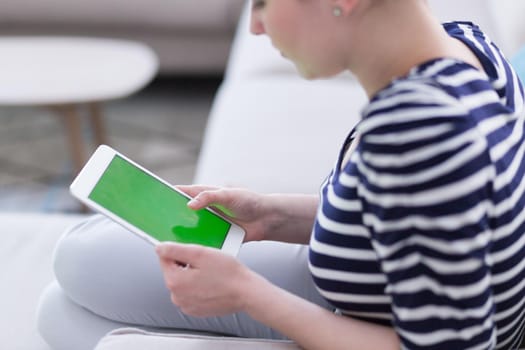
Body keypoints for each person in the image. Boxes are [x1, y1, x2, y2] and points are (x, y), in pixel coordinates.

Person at [37, 0, 525, 349]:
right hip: (373, 293)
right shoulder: (469, 49)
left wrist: (248, 296)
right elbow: (410, 213)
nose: (254, 27)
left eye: (264, 2)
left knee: (61, 314)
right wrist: (269, 214)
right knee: (74, 271)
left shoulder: (418, 130)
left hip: (368, 324)